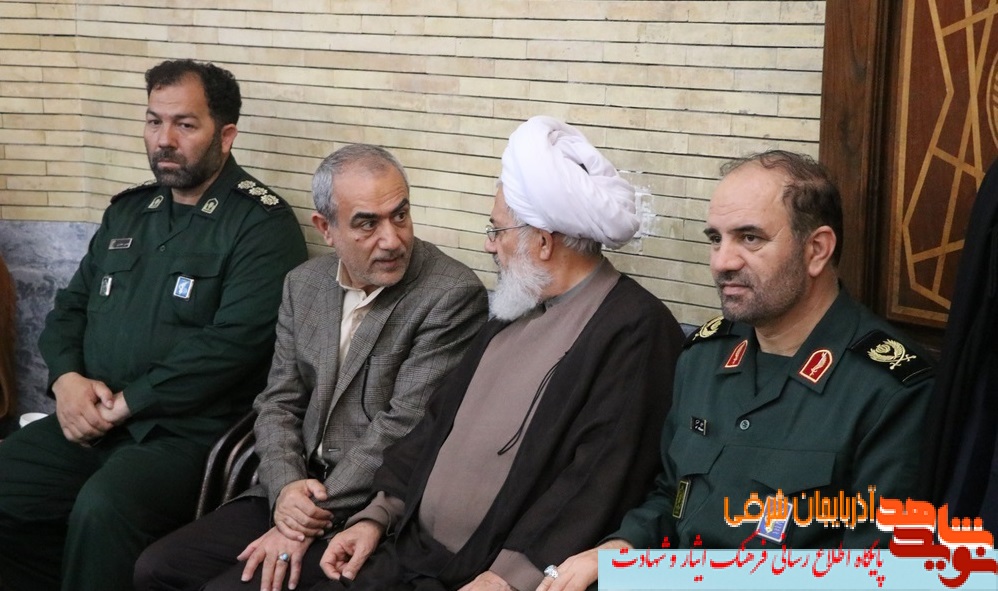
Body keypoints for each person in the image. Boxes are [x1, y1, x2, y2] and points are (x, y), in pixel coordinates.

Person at [308, 116, 685, 591]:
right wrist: (376, 516)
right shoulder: (516, 305)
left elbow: (600, 478)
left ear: (542, 242)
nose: (490, 245)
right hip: (407, 551)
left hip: (489, 578)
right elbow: (435, 424)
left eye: (497, 230)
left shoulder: (635, 329)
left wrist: (509, 577)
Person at [539, 150, 935, 591]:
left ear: (817, 250)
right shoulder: (703, 356)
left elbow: (873, 574)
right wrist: (620, 549)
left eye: (749, 238)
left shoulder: (891, 391)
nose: (722, 262)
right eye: (716, 239)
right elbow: (671, 495)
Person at [0, 59, 308, 591]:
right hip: (95, 421)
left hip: (187, 435)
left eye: (184, 124)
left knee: (104, 507)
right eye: (154, 121)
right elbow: (69, 308)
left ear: (225, 135)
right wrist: (66, 381)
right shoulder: (129, 212)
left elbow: (234, 346)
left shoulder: (261, 224)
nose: (164, 139)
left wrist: (128, 402)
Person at [134, 143, 489, 591]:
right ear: (326, 228)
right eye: (367, 223)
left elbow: (402, 427)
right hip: (292, 488)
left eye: (400, 215)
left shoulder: (450, 294)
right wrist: (286, 488)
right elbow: (278, 401)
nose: (392, 239)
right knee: (158, 568)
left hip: (370, 506)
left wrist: (304, 520)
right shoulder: (304, 285)